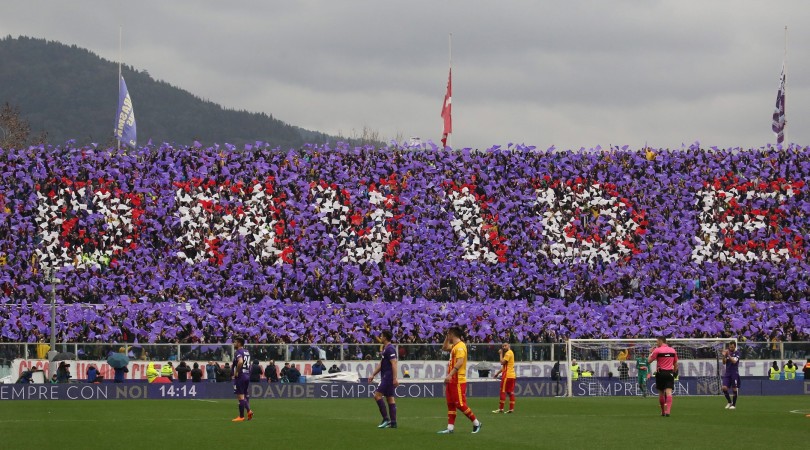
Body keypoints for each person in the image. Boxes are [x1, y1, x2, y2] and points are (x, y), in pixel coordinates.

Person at [437, 326, 481, 434]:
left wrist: (450, 375)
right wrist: (447, 338)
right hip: (452, 380)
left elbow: (460, 361)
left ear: (452, 334)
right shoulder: (455, 346)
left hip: (458, 380)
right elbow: (444, 348)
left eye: (449, 334)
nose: (448, 336)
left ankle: (476, 422)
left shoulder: (460, 346)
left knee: (460, 404)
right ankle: (450, 428)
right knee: (451, 403)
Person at [368, 330, 399, 429]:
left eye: (381, 336)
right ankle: (393, 422)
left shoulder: (390, 349)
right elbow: (381, 364)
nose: (380, 338)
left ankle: (386, 419)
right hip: (386, 376)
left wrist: (394, 378)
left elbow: (394, 363)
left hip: (388, 377)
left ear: (385, 337)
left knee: (377, 396)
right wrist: (373, 374)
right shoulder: (386, 349)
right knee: (390, 398)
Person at [648, 336, 678, 417]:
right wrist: (674, 372)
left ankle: (663, 412)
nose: (656, 343)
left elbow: (649, 361)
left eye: (657, 341)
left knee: (661, 393)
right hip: (670, 373)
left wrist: (651, 352)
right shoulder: (673, 350)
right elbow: (675, 364)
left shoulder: (657, 350)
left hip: (661, 373)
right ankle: (668, 411)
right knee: (669, 392)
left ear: (661, 341)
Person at [231, 336, 253, 422]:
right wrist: (248, 374)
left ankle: (241, 416)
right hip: (247, 375)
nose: (234, 343)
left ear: (239, 343)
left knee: (240, 396)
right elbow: (250, 365)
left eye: (235, 342)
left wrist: (236, 372)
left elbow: (240, 361)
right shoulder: (247, 352)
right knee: (245, 395)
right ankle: (249, 411)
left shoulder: (238, 352)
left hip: (241, 376)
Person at [492, 342, 516, 414]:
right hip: (512, 375)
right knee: (510, 392)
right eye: (503, 346)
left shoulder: (508, 353)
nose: (504, 347)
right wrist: (497, 373)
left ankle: (501, 409)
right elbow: (504, 367)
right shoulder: (511, 353)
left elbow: (502, 362)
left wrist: (500, 354)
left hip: (507, 376)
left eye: (505, 345)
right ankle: (511, 409)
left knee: (502, 391)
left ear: (509, 345)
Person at [721, 341, 741, 409]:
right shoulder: (728, 352)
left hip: (734, 373)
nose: (730, 348)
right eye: (730, 347)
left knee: (734, 388)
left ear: (735, 347)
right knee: (724, 388)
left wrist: (728, 355)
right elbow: (724, 362)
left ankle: (734, 405)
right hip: (727, 372)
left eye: (732, 347)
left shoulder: (737, 353)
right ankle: (729, 402)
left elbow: (734, 361)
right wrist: (724, 356)